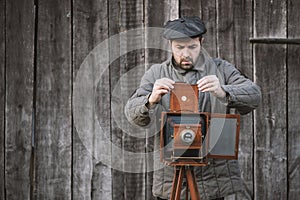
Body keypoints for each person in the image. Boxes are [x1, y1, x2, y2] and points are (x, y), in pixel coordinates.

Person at [125, 16, 261, 200]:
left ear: (201, 42)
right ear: (170, 45)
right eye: (179, 48)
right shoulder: (156, 73)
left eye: (192, 47)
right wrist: (150, 100)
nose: (186, 54)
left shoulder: (221, 68)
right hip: (171, 179)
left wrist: (223, 91)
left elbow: (254, 95)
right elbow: (132, 114)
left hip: (212, 179)